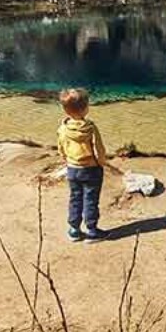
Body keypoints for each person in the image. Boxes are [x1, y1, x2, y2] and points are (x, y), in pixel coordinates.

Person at [56, 88, 107, 242]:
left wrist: (67, 160)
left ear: (65, 110)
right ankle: (92, 231)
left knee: (75, 198)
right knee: (91, 199)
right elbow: (99, 149)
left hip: (72, 169)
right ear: (86, 108)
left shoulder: (63, 129)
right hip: (91, 169)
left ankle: (74, 230)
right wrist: (101, 163)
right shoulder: (90, 128)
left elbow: (61, 148)